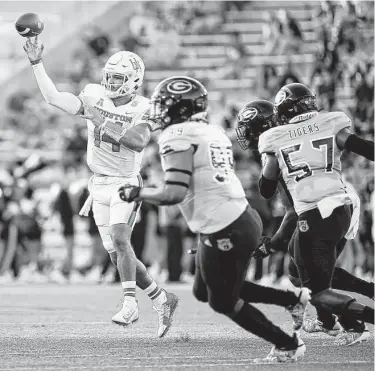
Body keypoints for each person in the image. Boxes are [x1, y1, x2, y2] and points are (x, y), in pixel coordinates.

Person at [118, 76, 311, 363]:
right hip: (238, 217)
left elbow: (174, 192)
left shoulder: (177, 136)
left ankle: (287, 343)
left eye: (164, 105)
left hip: (225, 225)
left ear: (178, 108)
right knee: (203, 289)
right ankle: (291, 300)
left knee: (222, 299)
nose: (159, 110)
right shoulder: (213, 131)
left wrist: (139, 192)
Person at [23, 36, 178, 338]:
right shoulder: (94, 95)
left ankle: (130, 303)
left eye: (118, 78)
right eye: (109, 76)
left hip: (125, 183)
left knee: (121, 239)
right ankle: (161, 298)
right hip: (99, 185)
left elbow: (138, 142)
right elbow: (55, 98)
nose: (110, 82)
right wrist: (36, 64)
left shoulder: (144, 107)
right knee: (117, 254)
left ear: (134, 81)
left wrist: (99, 120)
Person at [236, 98, 374, 346]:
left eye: (249, 127)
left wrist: (272, 244)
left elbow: (291, 212)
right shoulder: (288, 138)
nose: (245, 134)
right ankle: (330, 321)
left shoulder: (279, 144)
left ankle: (352, 322)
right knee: (302, 272)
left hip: (325, 203)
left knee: (313, 277)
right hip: (328, 202)